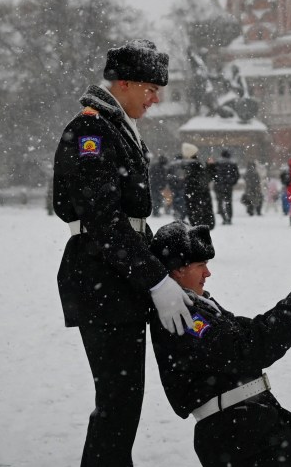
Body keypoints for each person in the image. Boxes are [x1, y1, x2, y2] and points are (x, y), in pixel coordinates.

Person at [51, 38, 194, 467]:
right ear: (125, 83)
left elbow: (125, 221)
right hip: (102, 279)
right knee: (118, 402)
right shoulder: (93, 130)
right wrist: (154, 278)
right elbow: (103, 222)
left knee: (123, 402)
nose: (156, 99)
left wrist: (166, 262)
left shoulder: (114, 126)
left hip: (115, 277)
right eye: (151, 89)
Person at [148, 220, 291, 467]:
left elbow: (250, 331)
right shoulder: (179, 313)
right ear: (178, 270)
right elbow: (250, 348)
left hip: (248, 424)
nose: (208, 273)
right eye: (201, 265)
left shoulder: (195, 304)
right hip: (238, 434)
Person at [182, 144, 216, 229]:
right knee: (201, 223)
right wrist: (210, 167)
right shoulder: (197, 165)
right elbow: (206, 179)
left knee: (194, 220)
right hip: (201, 197)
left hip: (191, 196)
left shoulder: (184, 166)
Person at [214, 149, 240, 226]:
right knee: (228, 202)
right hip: (228, 186)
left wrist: (217, 181)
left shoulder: (218, 163)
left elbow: (214, 174)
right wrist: (232, 182)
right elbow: (236, 175)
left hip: (219, 185)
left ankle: (223, 217)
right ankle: (229, 217)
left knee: (220, 202)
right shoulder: (232, 164)